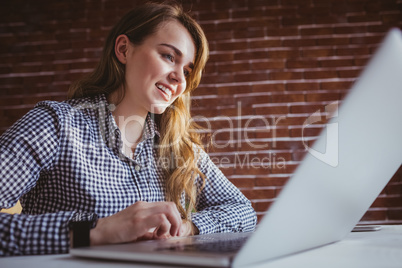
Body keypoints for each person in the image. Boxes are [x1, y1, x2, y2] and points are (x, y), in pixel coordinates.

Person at [0, 2, 256, 256]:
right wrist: (95, 232)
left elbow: (243, 211)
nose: (180, 78)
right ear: (124, 50)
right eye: (169, 56)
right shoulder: (54, 125)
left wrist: (188, 227)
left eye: (187, 70)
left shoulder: (180, 147)